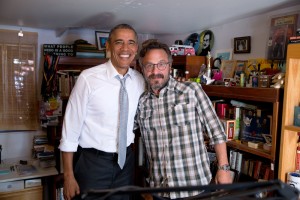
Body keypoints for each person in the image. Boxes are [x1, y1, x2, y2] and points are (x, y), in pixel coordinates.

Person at [136, 41, 232, 199]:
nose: (155, 71)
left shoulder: (191, 91)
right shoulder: (141, 103)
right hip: (160, 189)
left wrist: (223, 168)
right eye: (149, 65)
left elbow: (216, 131)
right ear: (142, 68)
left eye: (161, 64)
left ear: (169, 65)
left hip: (195, 186)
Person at [59, 24, 145, 200]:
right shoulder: (88, 79)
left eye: (130, 43)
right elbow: (70, 131)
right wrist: (68, 176)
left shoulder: (139, 81)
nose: (125, 49)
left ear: (136, 48)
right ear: (108, 46)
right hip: (92, 164)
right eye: (119, 42)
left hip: (125, 163)